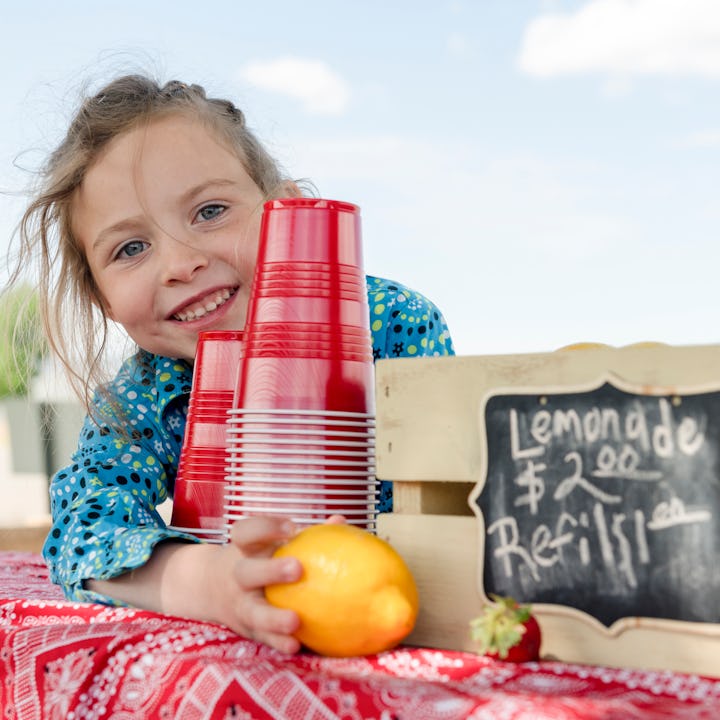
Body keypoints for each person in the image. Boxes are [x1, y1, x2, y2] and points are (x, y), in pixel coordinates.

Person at [12, 74, 455, 654]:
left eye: (211, 211)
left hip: (398, 617)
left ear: (292, 210)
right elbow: (85, 528)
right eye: (131, 248)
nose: (181, 262)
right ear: (103, 300)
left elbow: (454, 492)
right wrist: (209, 583)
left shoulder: (389, 324)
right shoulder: (145, 391)